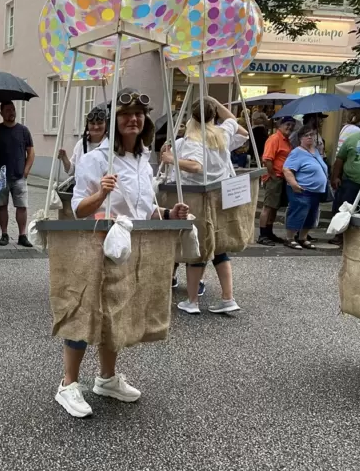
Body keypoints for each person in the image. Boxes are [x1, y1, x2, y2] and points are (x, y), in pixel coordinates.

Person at [56, 88, 189, 418]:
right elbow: (78, 210)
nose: (133, 119)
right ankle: (68, 384)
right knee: (87, 310)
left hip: (132, 246)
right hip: (96, 247)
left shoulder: (143, 160)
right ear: (114, 121)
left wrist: (168, 214)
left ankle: (107, 379)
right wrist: (101, 193)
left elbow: (141, 207)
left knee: (116, 311)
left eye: (138, 115)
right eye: (125, 114)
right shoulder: (94, 160)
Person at [161, 96, 248, 315]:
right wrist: (214, 102)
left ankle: (192, 301)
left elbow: (195, 166)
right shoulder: (221, 134)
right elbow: (242, 131)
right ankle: (228, 298)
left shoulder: (190, 140)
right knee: (219, 247)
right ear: (213, 116)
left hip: (196, 197)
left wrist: (171, 159)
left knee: (196, 247)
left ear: (191, 116)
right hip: (219, 198)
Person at [0, 101, 35, 248]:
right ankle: (4, 234)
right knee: (2, 205)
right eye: (7, 110)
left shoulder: (23, 131)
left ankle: (22, 235)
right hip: (0, 176)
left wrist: (26, 170)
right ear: (1, 113)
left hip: (19, 175)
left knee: (22, 206)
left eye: (12, 109)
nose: (11, 112)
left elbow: (31, 152)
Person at [283, 125, 329, 250]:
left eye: (312, 135)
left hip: (315, 191)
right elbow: (287, 169)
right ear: (300, 138)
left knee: (311, 215)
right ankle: (290, 238)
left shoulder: (315, 151)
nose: (309, 137)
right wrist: (294, 184)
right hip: (302, 189)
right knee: (298, 212)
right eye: (306, 135)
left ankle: (303, 237)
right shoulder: (297, 152)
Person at [256, 116, 296, 246]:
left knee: (274, 207)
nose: (289, 127)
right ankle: (262, 235)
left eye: (292, 125)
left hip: (281, 177)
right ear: (280, 125)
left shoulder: (286, 141)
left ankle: (269, 232)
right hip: (275, 177)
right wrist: (272, 175)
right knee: (268, 207)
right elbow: (267, 159)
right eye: (287, 124)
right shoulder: (274, 139)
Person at [330, 119, 360, 245]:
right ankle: (339, 235)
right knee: (344, 209)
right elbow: (340, 159)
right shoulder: (352, 139)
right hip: (351, 181)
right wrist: (335, 177)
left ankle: (358, 238)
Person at [58, 104, 108, 176]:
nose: (96, 127)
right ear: (87, 125)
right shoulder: (81, 144)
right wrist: (64, 158)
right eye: (92, 123)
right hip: (82, 186)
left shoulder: (111, 145)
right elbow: (72, 171)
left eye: (100, 123)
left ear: (106, 125)